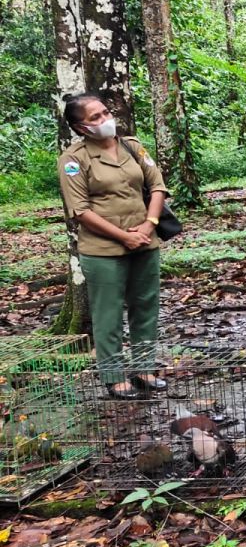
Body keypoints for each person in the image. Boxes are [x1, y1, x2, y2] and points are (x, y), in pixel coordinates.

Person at [57, 93, 169, 400]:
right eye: (94, 117)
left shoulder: (132, 146)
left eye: (105, 112)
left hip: (145, 242)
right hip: (103, 250)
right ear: (81, 127)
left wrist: (149, 224)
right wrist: (123, 236)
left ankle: (144, 368)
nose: (104, 119)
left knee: (146, 307)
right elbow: (80, 211)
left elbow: (157, 185)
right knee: (108, 314)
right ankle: (114, 376)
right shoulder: (73, 160)